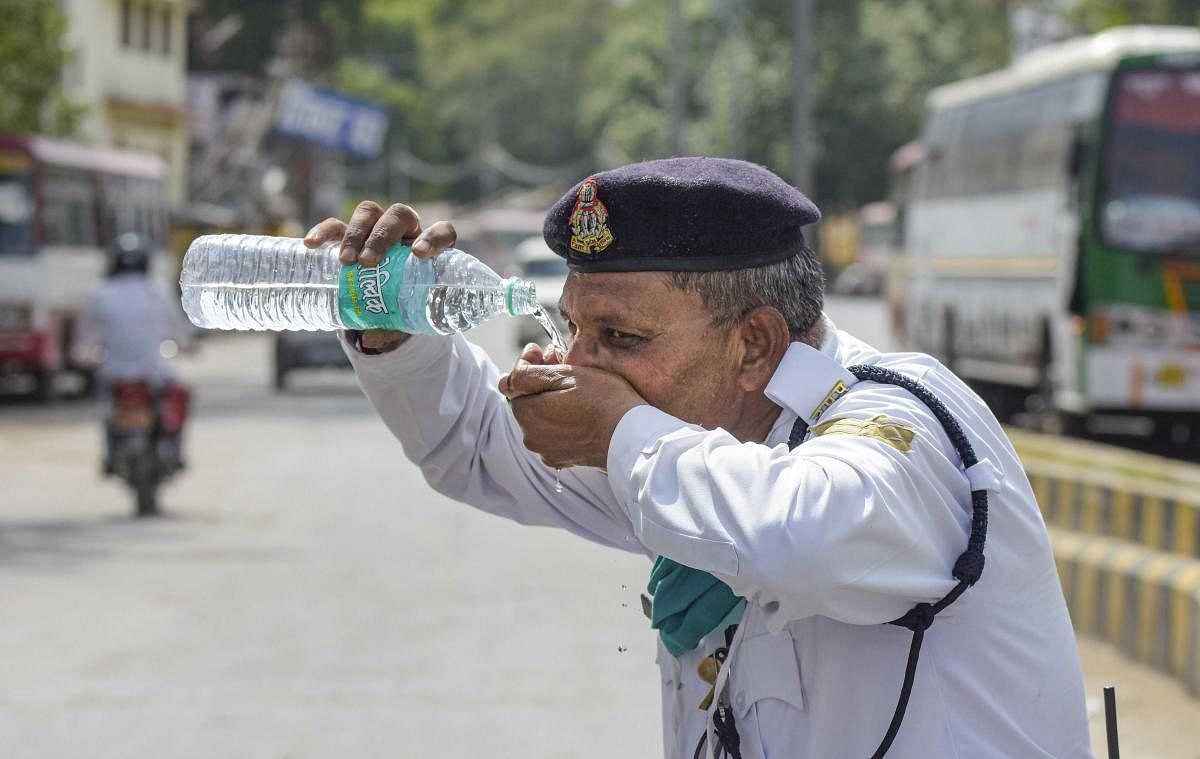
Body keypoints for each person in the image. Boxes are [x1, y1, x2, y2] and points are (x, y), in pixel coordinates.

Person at [308, 157, 1092, 758]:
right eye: (575, 328)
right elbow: (475, 445)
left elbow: (796, 536)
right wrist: (395, 334)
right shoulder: (686, 444)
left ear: (754, 345)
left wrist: (617, 432)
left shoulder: (900, 419)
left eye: (622, 338)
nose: (581, 366)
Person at [72, 232, 194, 472]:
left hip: (113, 374)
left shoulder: (101, 294)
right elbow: (179, 330)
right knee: (179, 396)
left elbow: (84, 339)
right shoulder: (157, 291)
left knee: (106, 408)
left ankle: (109, 453)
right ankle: (176, 449)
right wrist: (188, 346)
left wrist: (83, 355)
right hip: (153, 374)